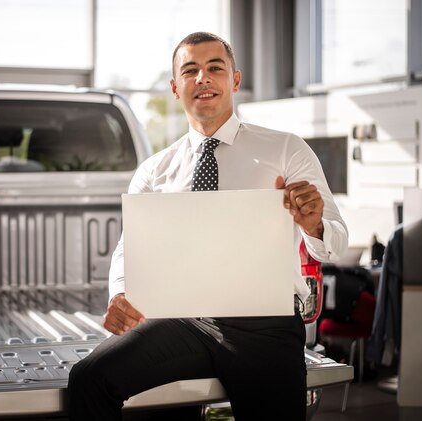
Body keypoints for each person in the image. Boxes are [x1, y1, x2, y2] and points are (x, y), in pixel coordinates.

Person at [67, 31, 348, 421]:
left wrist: (314, 224)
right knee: (88, 379)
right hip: (184, 319)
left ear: (234, 79)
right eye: (191, 70)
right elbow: (128, 248)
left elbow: (336, 245)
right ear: (175, 87)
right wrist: (120, 294)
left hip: (265, 325)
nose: (203, 78)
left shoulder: (287, 150)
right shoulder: (154, 171)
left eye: (215, 68)